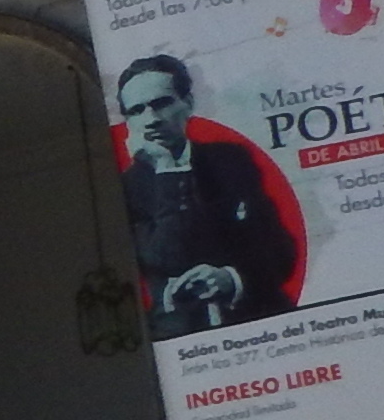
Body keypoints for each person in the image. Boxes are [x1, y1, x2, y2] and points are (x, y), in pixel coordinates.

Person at [113, 54, 293, 333]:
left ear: (188, 104)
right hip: (181, 337)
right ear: (127, 121)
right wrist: (167, 169)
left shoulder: (231, 160)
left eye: (161, 104)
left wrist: (230, 278)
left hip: (261, 322)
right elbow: (168, 257)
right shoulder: (124, 189)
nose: (151, 120)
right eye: (136, 111)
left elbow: (281, 252)